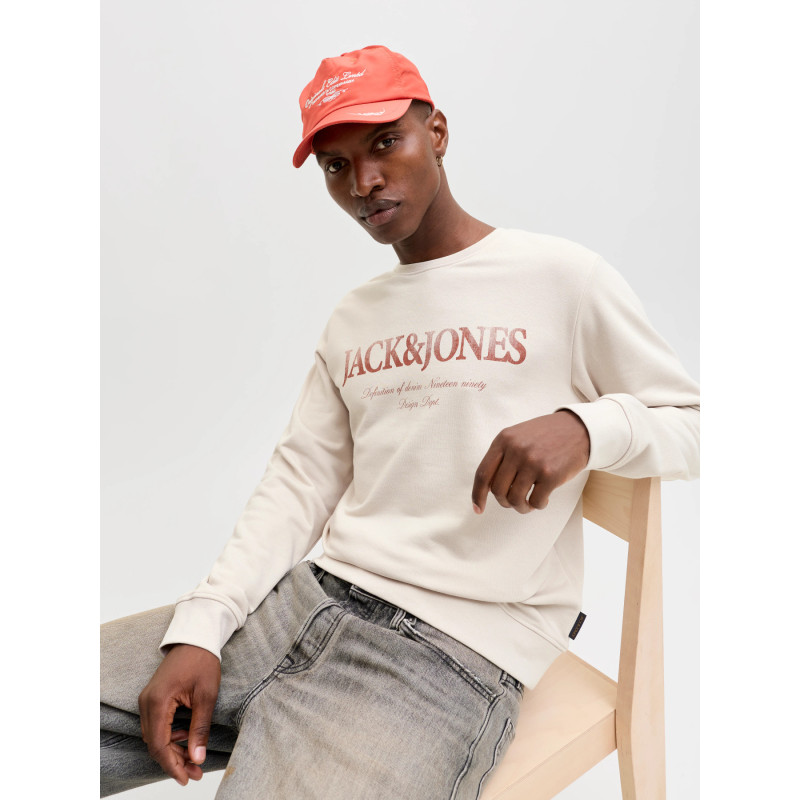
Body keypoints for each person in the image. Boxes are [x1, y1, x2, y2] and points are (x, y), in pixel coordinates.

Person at [100, 45, 700, 799]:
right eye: (337, 166)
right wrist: (203, 626)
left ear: (437, 133)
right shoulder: (355, 317)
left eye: (385, 143)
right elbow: (298, 485)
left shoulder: (562, 279)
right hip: (300, 602)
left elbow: (695, 425)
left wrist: (585, 427)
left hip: (445, 657)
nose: (364, 182)